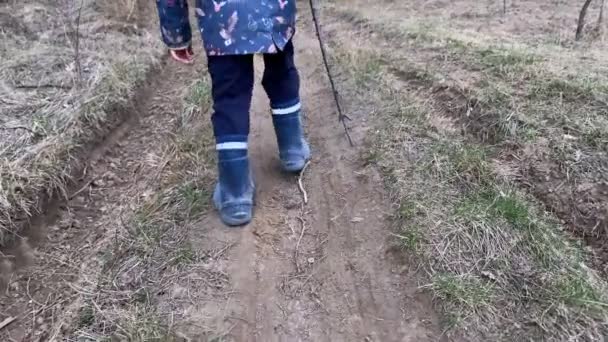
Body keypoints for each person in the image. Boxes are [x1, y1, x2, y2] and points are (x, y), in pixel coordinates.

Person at [156, 0, 310, 226]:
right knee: (282, 71)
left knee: (230, 96)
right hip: (274, 9)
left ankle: (235, 195)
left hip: (221, 18)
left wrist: (176, 35)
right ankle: (293, 149)